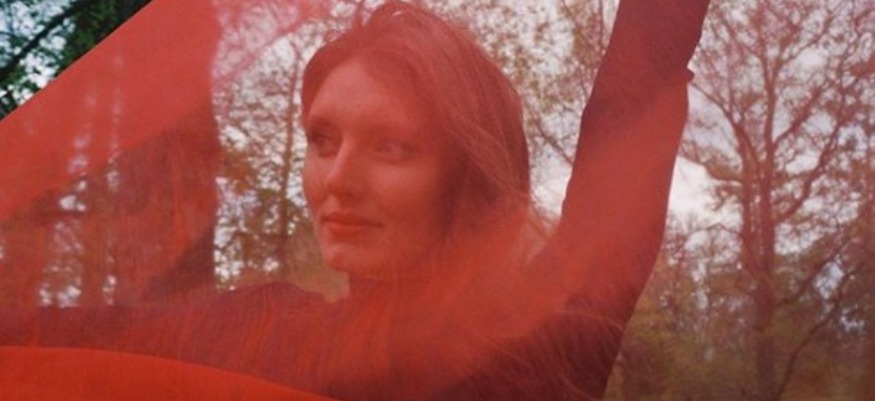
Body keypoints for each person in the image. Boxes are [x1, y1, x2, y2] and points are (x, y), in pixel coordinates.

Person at [0, 0, 710, 400]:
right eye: (322, 139)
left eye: (390, 146)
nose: (337, 178)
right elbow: (53, 338)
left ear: (464, 177)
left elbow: (636, 93)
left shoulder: (548, 333)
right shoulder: (267, 329)